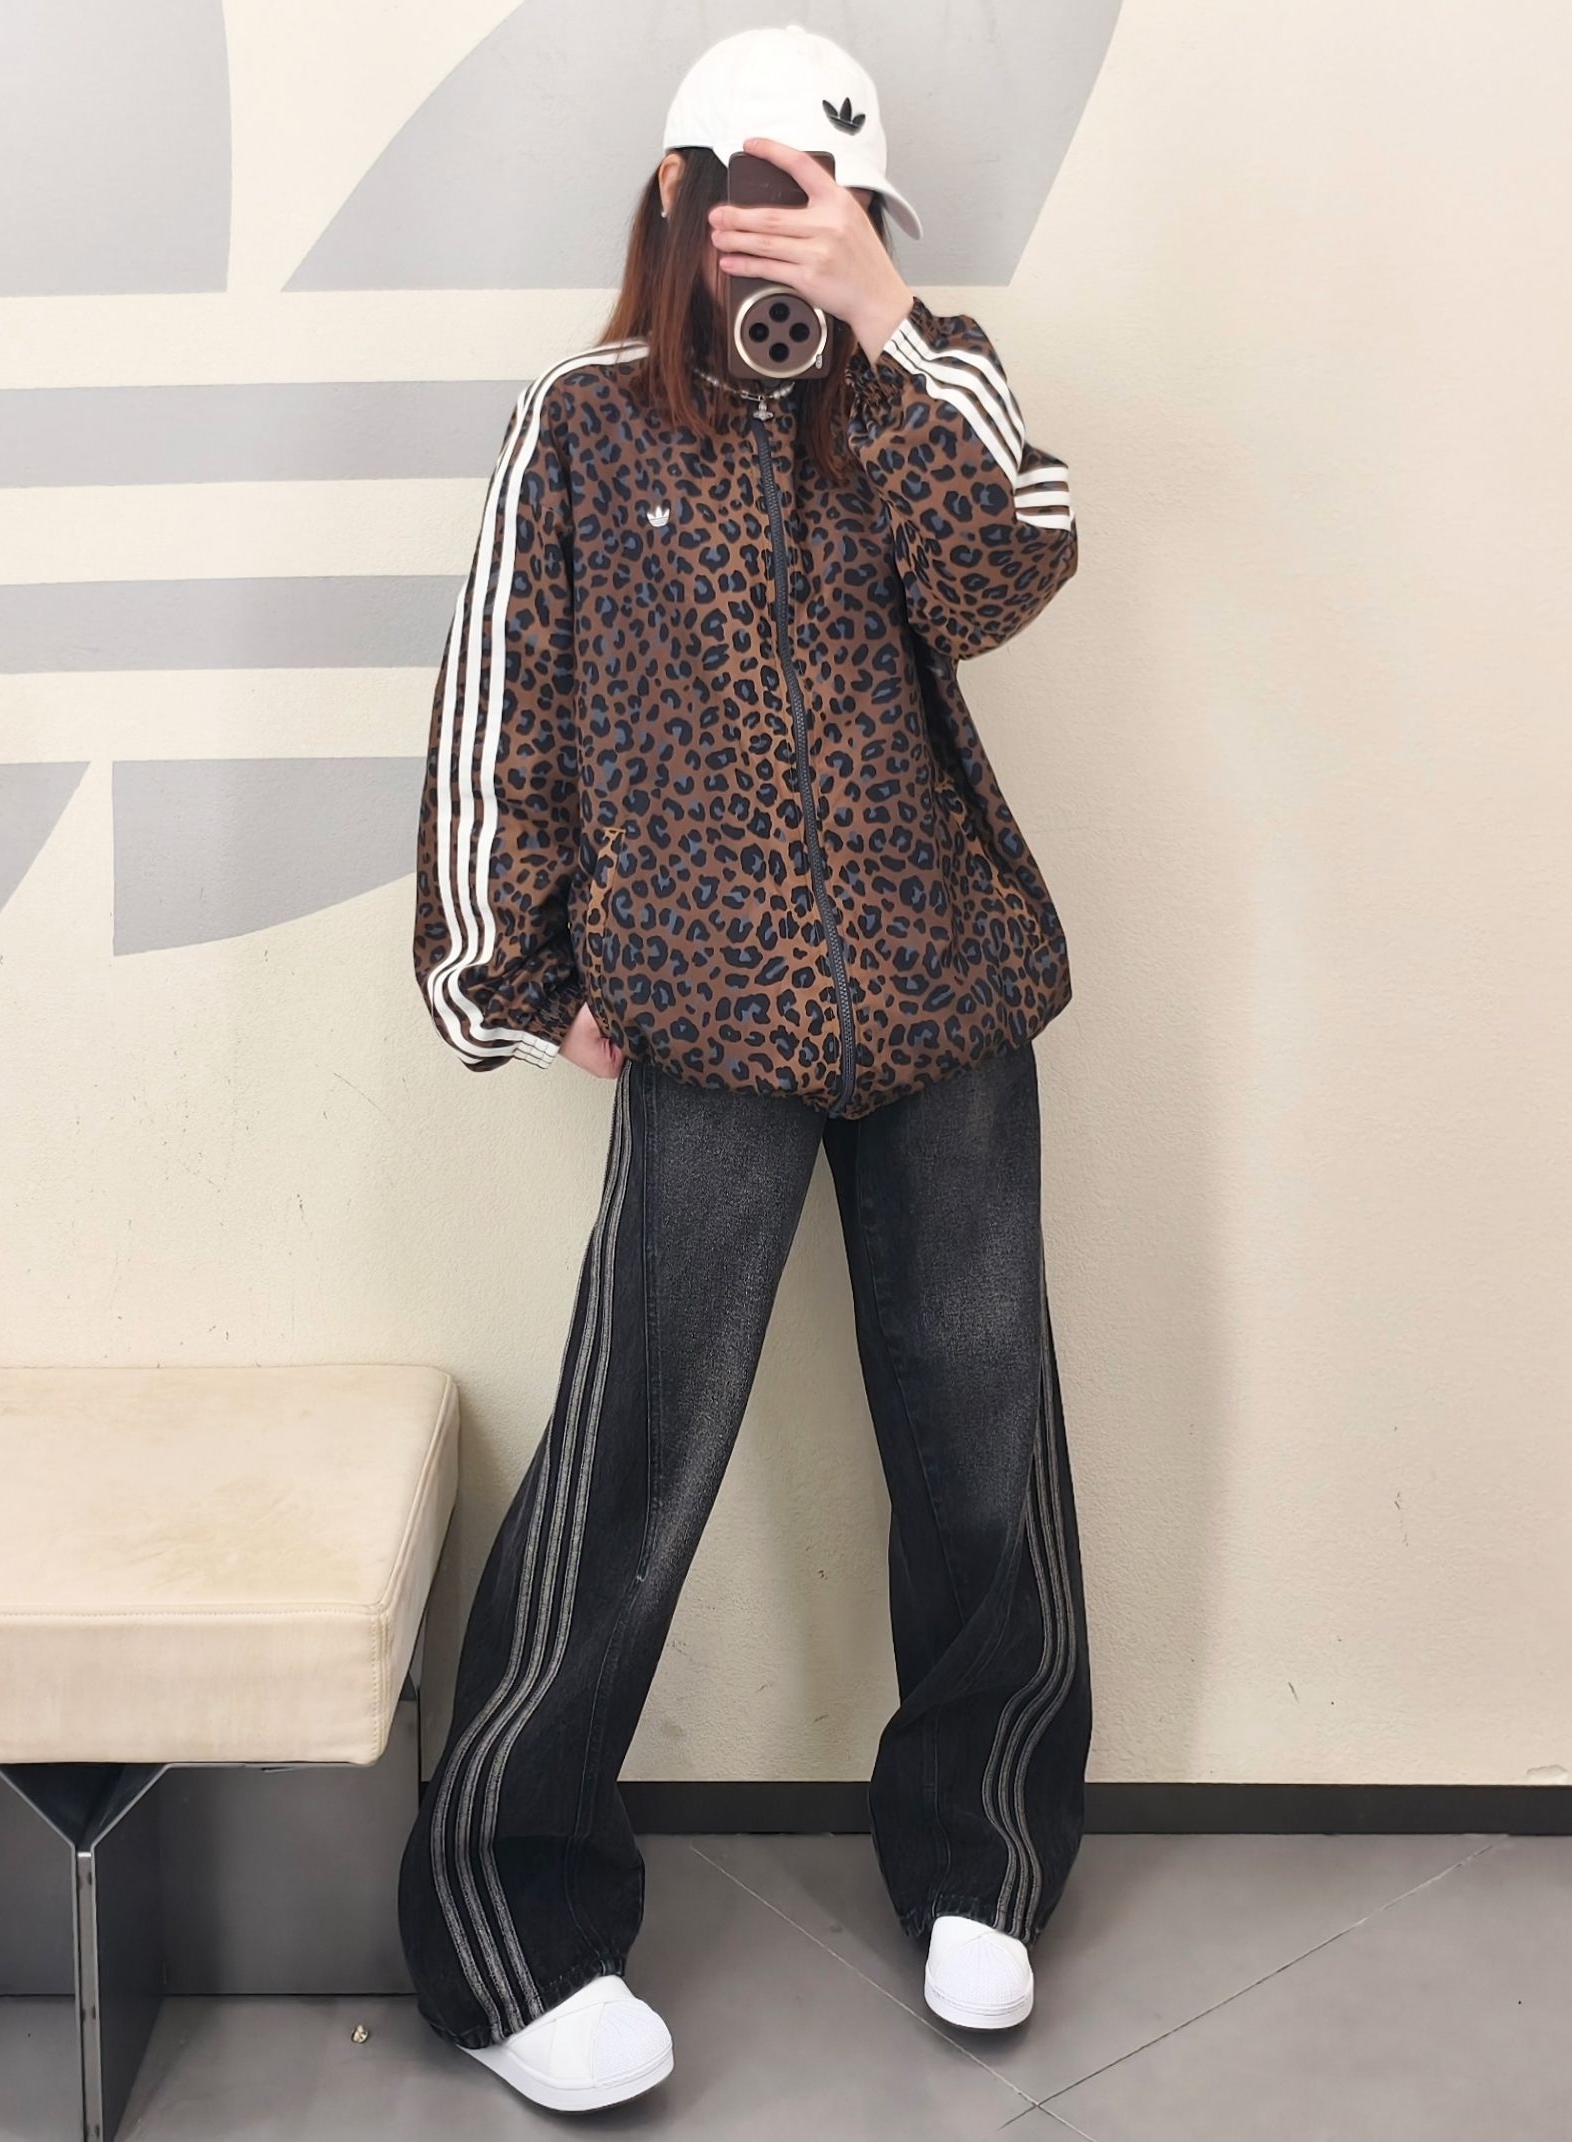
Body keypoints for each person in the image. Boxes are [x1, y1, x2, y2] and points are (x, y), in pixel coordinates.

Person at [398, 21, 1091, 2116]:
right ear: (677, 201)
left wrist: (894, 326)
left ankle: (983, 1854)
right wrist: (515, 977)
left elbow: (1011, 571)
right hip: (704, 1018)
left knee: (981, 1435)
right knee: (634, 1457)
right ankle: (508, 1918)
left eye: (830, 198)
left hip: (945, 994)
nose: (788, 230)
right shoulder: (585, 423)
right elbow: (502, 703)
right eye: (754, 194)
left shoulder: (918, 393)